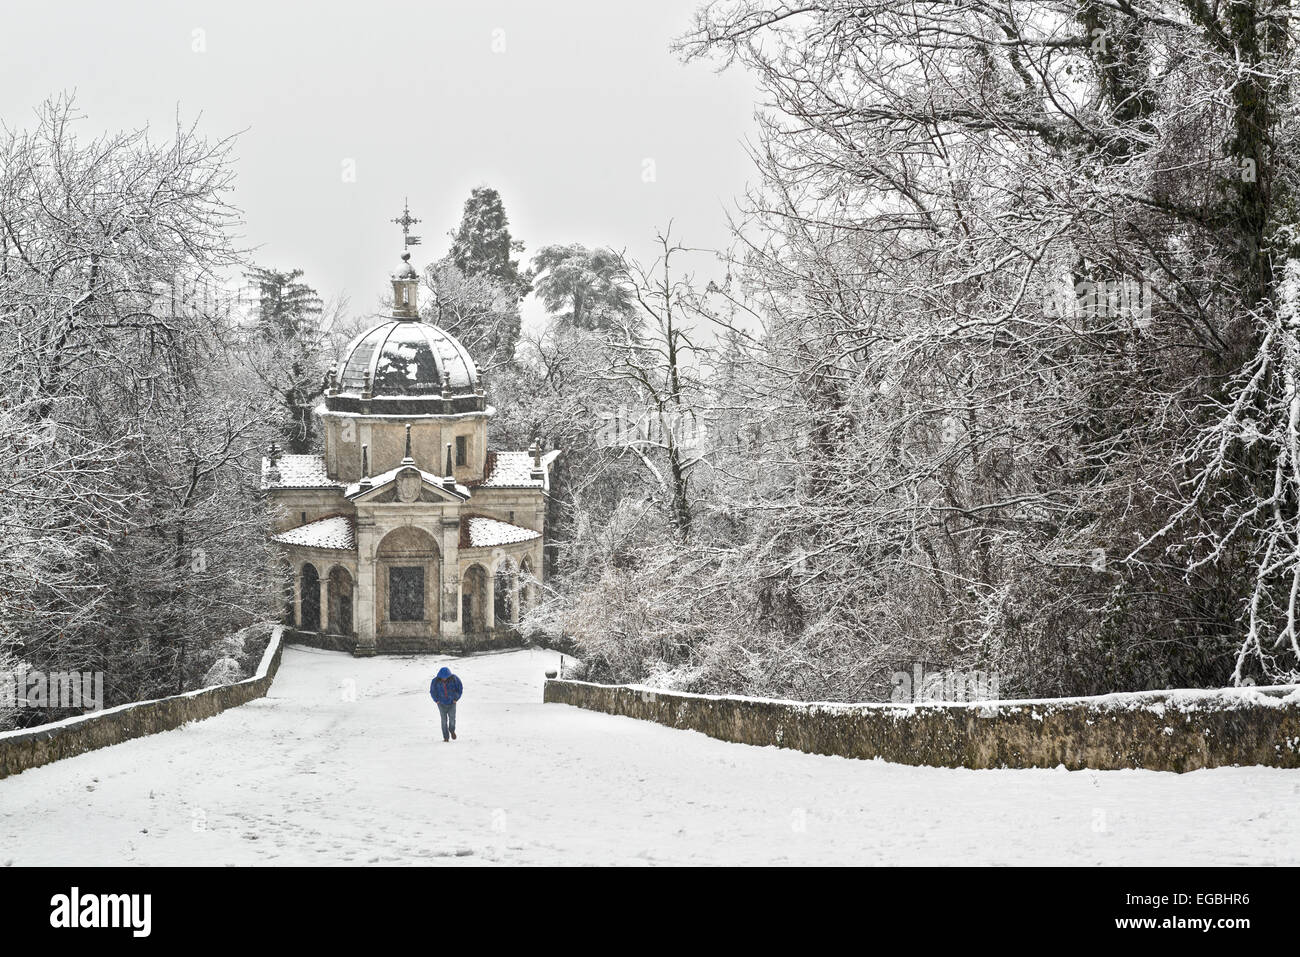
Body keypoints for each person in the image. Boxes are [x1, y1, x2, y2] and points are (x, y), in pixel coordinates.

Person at [429, 666, 464, 742]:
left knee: (452, 719)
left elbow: (460, 688)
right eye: (442, 677)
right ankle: (446, 737)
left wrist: (456, 698)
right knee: (443, 721)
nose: (444, 679)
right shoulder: (435, 681)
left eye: (446, 677)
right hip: (441, 704)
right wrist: (436, 700)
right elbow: (432, 691)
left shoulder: (454, 679)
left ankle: (452, 730)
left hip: (452, 703)